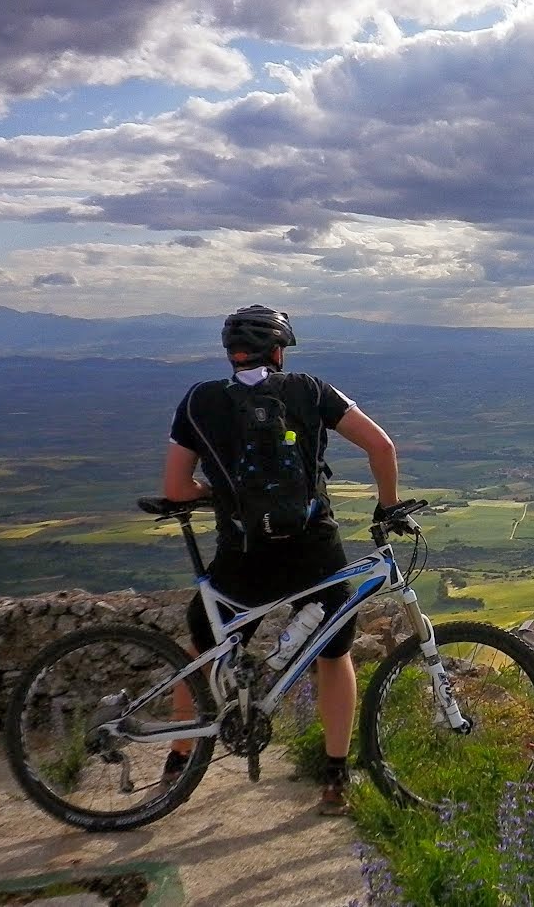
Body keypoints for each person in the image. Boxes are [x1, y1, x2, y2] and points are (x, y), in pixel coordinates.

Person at [160, 303, 417, 816]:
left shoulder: (200, 401)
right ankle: (335, 777)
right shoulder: (311, 389)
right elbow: (382, 447)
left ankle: (178, 759)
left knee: (203, 648)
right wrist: (387, 508)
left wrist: (224, 494)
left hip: (243, 555)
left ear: (231, 354)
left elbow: (174, 488)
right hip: (313, 551)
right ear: (279, 351)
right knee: (333, 652)